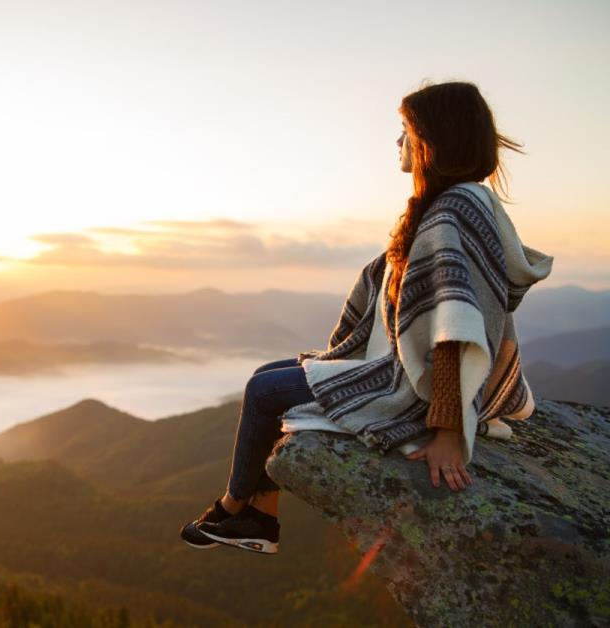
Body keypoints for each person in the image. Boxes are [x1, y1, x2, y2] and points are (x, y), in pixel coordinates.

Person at [179, 81, 553, 555]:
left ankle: (235, 508)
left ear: (432, 142)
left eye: (405, 131)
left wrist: (447, 430)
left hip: (416, 387)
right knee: (267, 375)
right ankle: (260, 514)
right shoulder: (460, 203)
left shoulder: (450, 213)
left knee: (263, 390)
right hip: (417, 374)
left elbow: (452, 326)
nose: (398, 142)